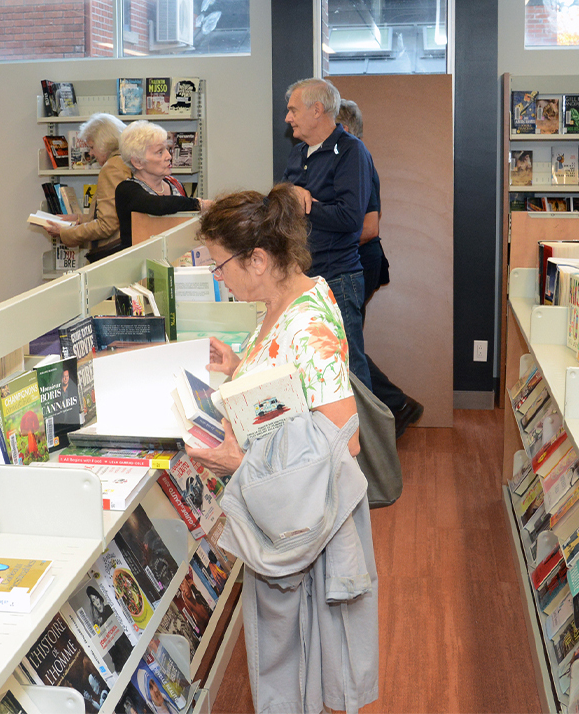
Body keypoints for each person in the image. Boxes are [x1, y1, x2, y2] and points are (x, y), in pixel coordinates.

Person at [185, 186, 377, 713]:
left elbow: (345, 443)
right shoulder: (284, 297)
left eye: (220, 265)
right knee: (285, 660)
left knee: (296, 666)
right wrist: (237, 367)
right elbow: (288, 392)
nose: (217, 277)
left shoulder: (307, 324)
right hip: (286, 512)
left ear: (260, 259)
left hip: (302, 522)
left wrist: (242, 464)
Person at [336, 99, 424, 437]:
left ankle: (394, 409)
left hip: (359, 261)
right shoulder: (345, 161)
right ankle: (397, 405)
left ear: (342, 128)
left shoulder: (356, 160)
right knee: (343, 344)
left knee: (345, 347)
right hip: (358, 262)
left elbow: (369, 228)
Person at [282, 77, 373, 390]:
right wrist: (291, 194)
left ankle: (367, 440)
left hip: (337, 279)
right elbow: (282, 201)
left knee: (350, 367)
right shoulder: (298, 154)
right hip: (301, 277)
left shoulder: (351, 152)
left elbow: (350, 218)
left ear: (316, 110)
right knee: (313, 364)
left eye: (293, 110)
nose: (287, 118)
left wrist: (307, 206)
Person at [43, 113, 132, 262]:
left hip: (110, 255)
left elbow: (107, 225)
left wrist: (65, 232)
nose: (91, 153)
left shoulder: (112, 168)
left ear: (104, 142)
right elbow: (115, 215)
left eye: (92, 147)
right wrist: (78, 219)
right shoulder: (125, 161)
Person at [115, 120, 213, 250]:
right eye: (159, 152)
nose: (169, 156)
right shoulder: (126, 190)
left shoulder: (175, 184)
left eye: (167, 149)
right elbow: (159, 205)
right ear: (137, 162)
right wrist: (200, 204)